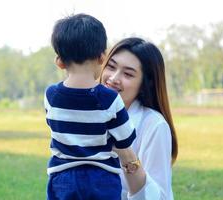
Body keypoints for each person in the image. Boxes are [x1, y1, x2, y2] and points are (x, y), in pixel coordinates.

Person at [44, 14, 143, 200]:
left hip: (62, 177)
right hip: (101, 178)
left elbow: (53, 124)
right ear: (101, 57)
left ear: (60, 62)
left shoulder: (51, 96)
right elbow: (125, 139)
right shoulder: (110, 98)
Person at [101, 37, 178, 200]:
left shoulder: (154, 125)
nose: (113, 78)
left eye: (128, 74)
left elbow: (160, 197)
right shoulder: (86, 113)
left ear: (145, 84)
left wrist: (126, 154)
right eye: (111, 66)